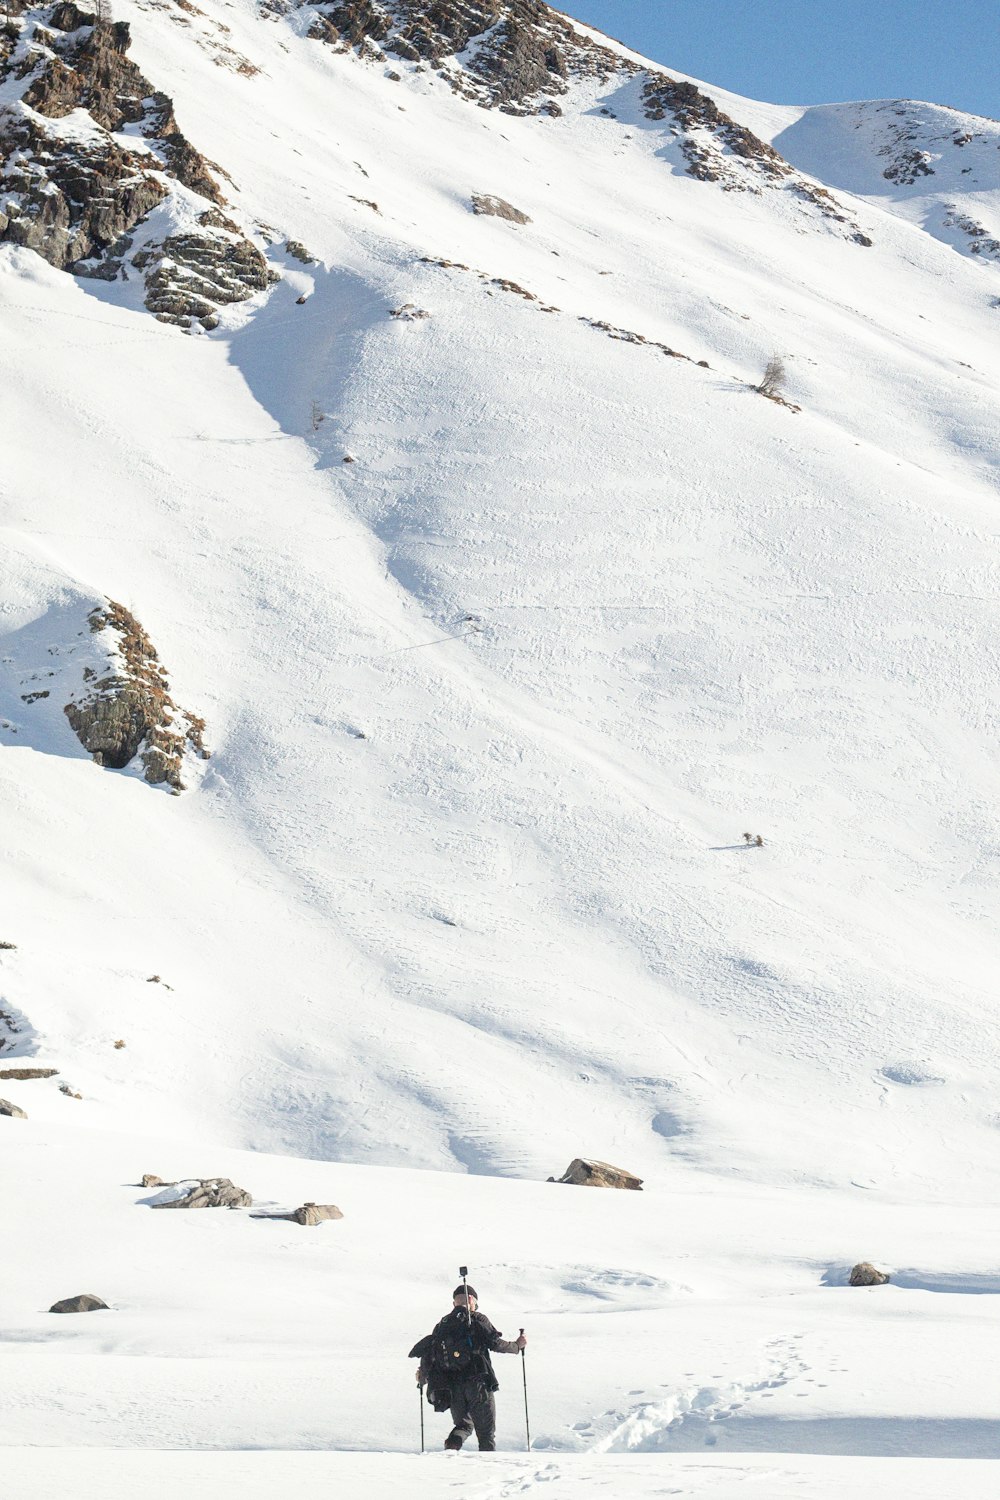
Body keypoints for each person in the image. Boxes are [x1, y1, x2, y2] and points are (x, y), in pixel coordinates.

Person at [409, 1283, 526, 1451]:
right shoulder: (477, 1319)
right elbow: (494, 1343)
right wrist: (517, 1346)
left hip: (453, 1387)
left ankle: (450, 1450)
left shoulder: (442, 1324)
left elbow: (431, 1354)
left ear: (454, 1303)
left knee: (463, 1426)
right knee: (486, 1432)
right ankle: (489, 1469)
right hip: (478, 1384)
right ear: (472, 1300)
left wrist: (423, 1376)